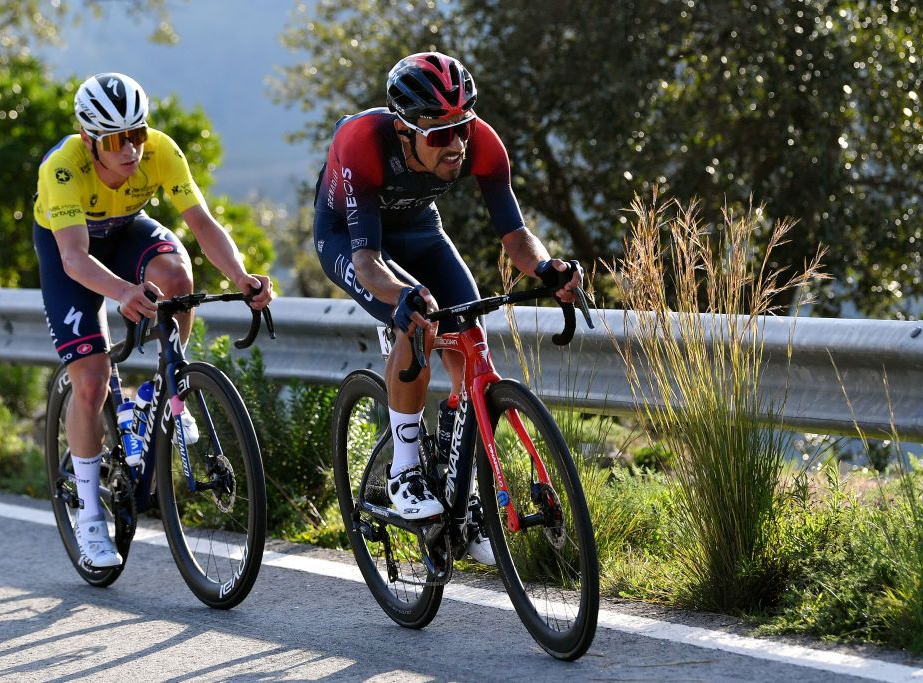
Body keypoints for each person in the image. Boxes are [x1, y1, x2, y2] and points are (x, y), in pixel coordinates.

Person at [312, 52, 582, 565]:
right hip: (351, 240)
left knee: (470, 335)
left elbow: (516, 236)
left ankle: (463, 494)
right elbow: (368, 263)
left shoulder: (480, 141)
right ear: (404, 129)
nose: (456, 144)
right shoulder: (363, 143)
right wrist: (403, 299)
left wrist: (550, 271)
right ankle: (406, 470)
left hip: (420, 231)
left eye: (462, 127)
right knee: (419, 322)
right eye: (439, 135)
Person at [33, 72, 272, 568]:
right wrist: (122, 292)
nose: (132, 150)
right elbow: (74, 259)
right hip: (71, 250)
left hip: (124, 232)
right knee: (93, 380)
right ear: (88, 140)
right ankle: (92, 519)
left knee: (178, 279)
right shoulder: (62, 169)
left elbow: (202, 223)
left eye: (137, 134)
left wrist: (241, 275)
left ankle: (170, 387)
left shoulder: (160, 150)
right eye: (118, 141)